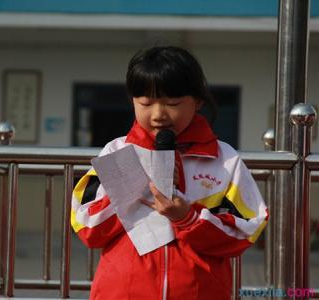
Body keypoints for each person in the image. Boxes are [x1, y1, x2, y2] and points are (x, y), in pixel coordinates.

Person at [71, 46, 268, 300]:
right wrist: (135, 186)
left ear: (197, 101)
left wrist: (188, 218)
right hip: (122, 292)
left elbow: (247, 229)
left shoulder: (224, 158)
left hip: (200, 291)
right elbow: (87, 227)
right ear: (132, 101)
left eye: (172, 103)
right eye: (146, 103)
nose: (158, 114)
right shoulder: (117, 151)